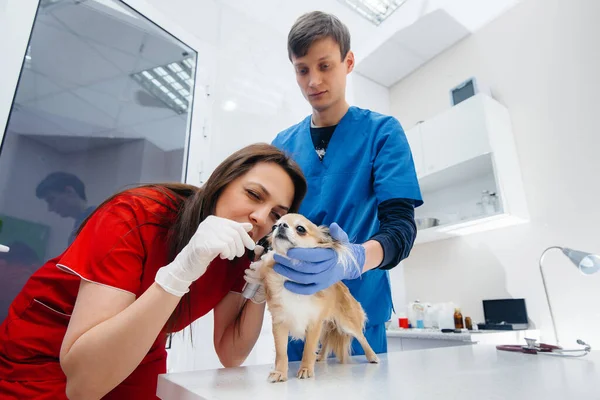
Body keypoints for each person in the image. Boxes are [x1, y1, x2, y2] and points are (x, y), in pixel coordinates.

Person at [0, 143, 307, 399]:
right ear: (222, 181)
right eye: (253, 195)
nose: (260, 217)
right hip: (45, 348)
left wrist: (262, 283)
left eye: (276, 214)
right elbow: (82, 385)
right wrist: (182, 270)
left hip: (141, 346)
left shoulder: (240, 253)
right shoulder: (136, 214)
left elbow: (231, 353)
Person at [271, 11, 423, 361]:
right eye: (302, 69)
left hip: (359, 310)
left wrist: (353, 259)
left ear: (348, 62)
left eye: (324, 66)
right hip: (298, 311)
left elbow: (400, 230)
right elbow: (269, 222)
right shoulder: (282, 145)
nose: (313, 81)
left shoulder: (382, 133)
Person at [35, 172, 96, 245]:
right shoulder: (79, 227)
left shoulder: (99, 219)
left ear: (69, 191)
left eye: (51, 200)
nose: (50, 209)